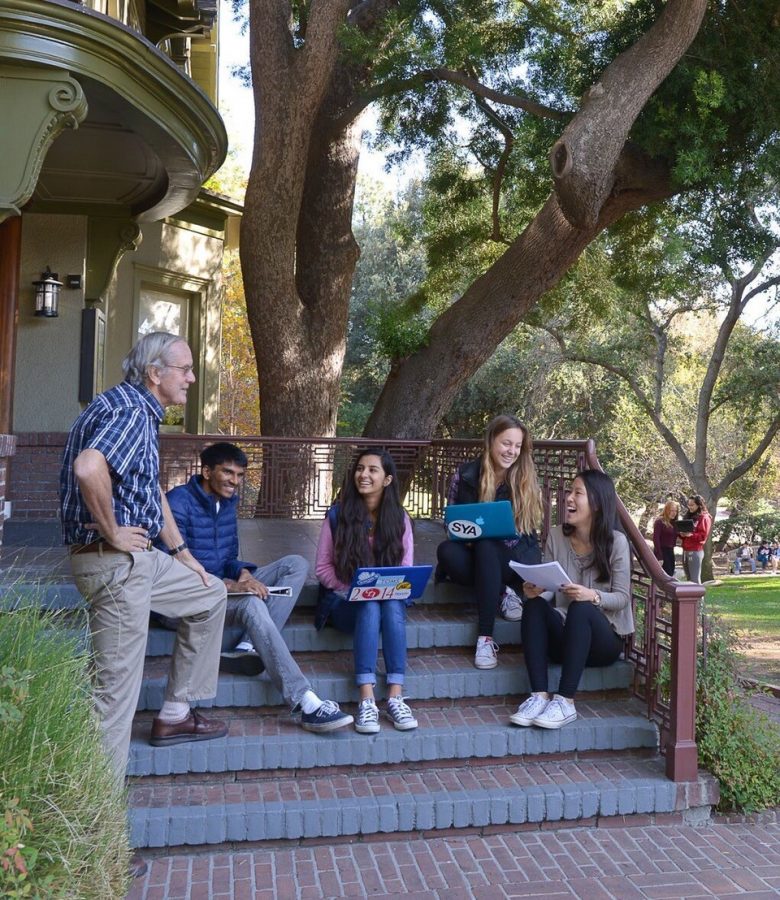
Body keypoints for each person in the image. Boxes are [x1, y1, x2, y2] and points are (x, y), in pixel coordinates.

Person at [60, 332, 229, 785]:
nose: (192, 378)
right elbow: (88, 468)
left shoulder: (130, 408)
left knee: (210, 592)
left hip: (140, 559)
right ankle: (96, 837)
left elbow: (150, 488)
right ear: (155, 374)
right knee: (114, 700)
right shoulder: (134, 413)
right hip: (115, 566)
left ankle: (175, 713)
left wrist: (182, 552)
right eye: (185, 369)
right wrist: (113, 530)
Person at [161, 441, 352, 733]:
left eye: (239, 475)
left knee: (295, 564)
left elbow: (226, 559)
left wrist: (245, 575)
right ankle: (304, 703)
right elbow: (167, 567)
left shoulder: (226, 504)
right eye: (228, 473)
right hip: (181, 602)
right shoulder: (177, 503)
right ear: (207, 470)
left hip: (218, 592)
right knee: (251, 604)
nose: (234, 482)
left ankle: (249, 644)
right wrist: (227, 585)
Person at [510, 469, 633, 730]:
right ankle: (538, 696)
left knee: (581, 607)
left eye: (578, 493)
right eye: (569, 492)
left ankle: (565, 702)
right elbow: (550, 587)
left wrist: (593, 596)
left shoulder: (617, 542)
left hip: (602, 641)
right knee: (533, 605)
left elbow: (622, 598)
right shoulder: (556, 536)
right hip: (566, 637)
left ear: (597, 503)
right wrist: (537, 590)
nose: (568, 498)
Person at [315, 448, 418, 734]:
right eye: (360, 468)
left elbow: (406, 571)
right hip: (345, 604)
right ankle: (367, 699)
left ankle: (395, 696)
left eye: (373, 469)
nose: (364, 474)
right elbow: (322, 569)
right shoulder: (337, 517)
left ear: (387, 479)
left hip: (388, 606)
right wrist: (354, 590)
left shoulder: (400, 519)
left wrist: (389, 589)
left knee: (391, 603)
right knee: (369, 603)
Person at [436, 415, 542, 669]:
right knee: (446, 551)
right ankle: (502, 592)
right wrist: (469, 536)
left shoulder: (524, 479)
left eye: (517, 446)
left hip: (512, 556)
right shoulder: (465, 474)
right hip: (473, 553)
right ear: (491, 440)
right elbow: (452, 523)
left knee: (487, 544)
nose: (512, 451)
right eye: (507, 443)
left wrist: (489, 539)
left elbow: (527, 534)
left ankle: (485, 637)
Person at [680, 495, 712, 584]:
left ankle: (699, 598)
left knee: (695, 579)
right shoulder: (689, 516)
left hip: (695, 550)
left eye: (692, 505)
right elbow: (684, 534)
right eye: (688, 504)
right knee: (689, 579)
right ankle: (691, 598)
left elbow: (703, 536)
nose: (689, 507)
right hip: (686, 550)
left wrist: (691, 535)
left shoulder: (704, 517)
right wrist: (682, 534)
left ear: (699, 505)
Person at [652, 500, 679, 577]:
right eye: (672, 510)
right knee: (665, 575)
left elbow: (675, 536)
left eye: (675, 511)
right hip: (662, 550)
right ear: (667, 510)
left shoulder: (674, 523)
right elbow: (656, 539)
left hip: (670, 551)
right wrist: (660, 556)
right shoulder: (660, 521)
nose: (674, 513)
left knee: (671, 574)